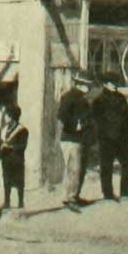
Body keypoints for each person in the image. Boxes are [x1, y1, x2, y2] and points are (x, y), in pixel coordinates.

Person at [91, 70, 128, 201]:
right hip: (106, 139)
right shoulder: (98, 100)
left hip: (121, 138)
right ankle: (108, 194)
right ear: (105, 84)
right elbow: (96, 120)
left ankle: (126, 191)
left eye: (116, 82)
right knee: (106, 166)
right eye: (112, 82)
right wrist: (102, 134)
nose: (115, 85)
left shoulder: (121, 98)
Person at [56, 68, 94, 212]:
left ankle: (74, 195)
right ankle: (70, 198)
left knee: (78, 169)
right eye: (88, 86)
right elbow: (61, 119)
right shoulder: (70, 97)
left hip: (79, 139)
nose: (89, 89)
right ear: (82, 84)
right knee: (74, 169)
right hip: (71, 139)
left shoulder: (80, 99)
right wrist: (74, 127)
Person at [0, 104, 29, 210]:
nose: (4, 117)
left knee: (19, 181)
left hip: (17, 159)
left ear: (12, 116)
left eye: (6, 115)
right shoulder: (4, 130)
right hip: (6, 159)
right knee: (6, 180)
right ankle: (7, 202)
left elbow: (22, 146)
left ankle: (20, 202)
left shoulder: (22, 130)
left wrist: (9, 146)